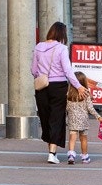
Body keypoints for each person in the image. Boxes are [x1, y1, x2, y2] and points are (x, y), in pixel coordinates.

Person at [32, 21, 80, 164]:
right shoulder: (62, 49)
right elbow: (67, 71)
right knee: (56, 118)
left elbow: (33, 70)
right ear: (62, 34)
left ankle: (51, 152)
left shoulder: (38, 47)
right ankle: (52, 153)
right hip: (58, 87)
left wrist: (41, 76)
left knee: (45, 118)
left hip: (41, 87)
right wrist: (78, 86)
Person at [65, 72, 94, 164]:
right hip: (83, 121)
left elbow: (66, 108)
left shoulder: (68, 94)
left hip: (72, 120)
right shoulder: (86, 94)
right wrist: (99, 117)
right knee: (83, 139)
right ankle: (85, 157)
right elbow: (90, 108)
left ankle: (71, 155)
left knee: (72, 138)